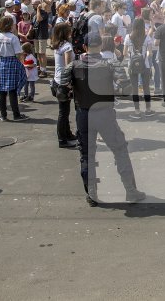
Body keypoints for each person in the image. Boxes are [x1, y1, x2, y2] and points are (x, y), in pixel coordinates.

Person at [58, 31, 147, 206]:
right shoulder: (110, 64)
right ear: (101, 45)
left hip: (84, 114)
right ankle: (130, 190)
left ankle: (92, 194)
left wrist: (73, 92)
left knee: (86, 154)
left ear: (84, 47)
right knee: (120, 150)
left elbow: (61, 93)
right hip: (105, 113)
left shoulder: (73, 66)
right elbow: (127, 89)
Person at [0, 16, 28, 122]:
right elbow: (18, 53)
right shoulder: (13, 37)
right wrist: (22, 63)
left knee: (1, 91)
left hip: (1, 62)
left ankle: (3, 115)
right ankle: (16, 115)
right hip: (12, 62)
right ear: (9, 25)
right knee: (12, 90)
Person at [49, 23, 77, 147]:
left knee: (65, 110)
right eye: (69, 30)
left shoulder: (57, 45)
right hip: (64, 82)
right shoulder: (67, 46)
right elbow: (68, 65)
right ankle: (62, 139)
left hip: (57, 80)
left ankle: (67, 133)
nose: (71, 32)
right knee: (63, 112)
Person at [125, 18, 155, 117]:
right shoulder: (147, 38)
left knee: (134, 88)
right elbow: (150, 53)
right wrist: (143, 55)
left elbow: (125, 53)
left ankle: (137, 111)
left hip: (132, 65)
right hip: (145, 65)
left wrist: (132, 55)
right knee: (146, 87)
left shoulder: (128, 37)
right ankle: (148, 109)